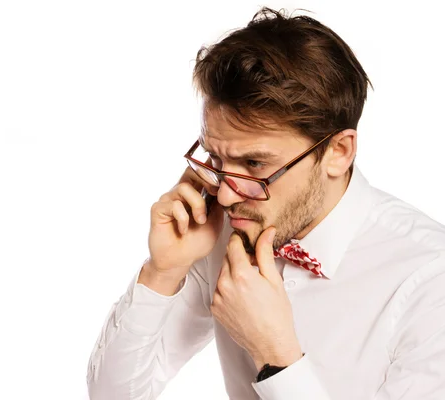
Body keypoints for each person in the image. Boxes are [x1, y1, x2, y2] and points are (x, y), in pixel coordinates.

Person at [86, 7, 445, 399]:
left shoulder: (430, 282)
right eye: (217, 159)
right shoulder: (218, 230)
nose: (224, 193)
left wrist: (275, 356)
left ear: (339, 152)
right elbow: (113, 394)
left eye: (255, 164)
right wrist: (163, 271)